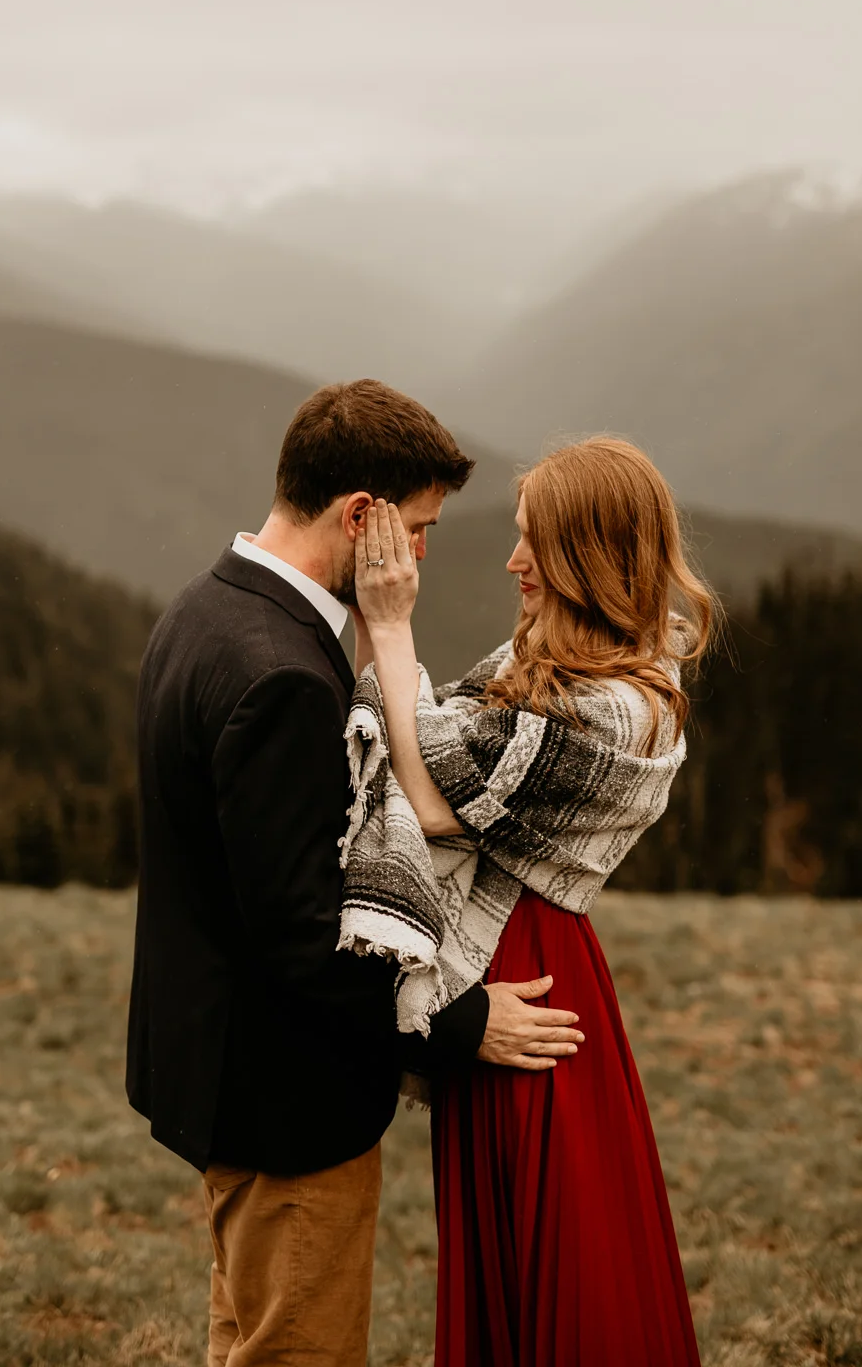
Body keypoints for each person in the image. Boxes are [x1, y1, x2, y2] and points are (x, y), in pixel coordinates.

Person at [126, 379, 585, 1367]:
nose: (420, 554)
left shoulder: (203, 611)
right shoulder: (285, 673)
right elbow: (307, 934)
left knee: (246, 1337)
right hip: (285, 1103)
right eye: (414, 528)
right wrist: (461, 1020)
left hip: (218, 1079)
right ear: (359, 517)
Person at [347, 436, 714, 1367]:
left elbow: (432, 800)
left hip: (532, 976)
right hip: (498, 966)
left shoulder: (625, 707)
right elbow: (436, 747)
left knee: (561, 1248)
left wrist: (389, 631)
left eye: (532, 544)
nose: (512, 563)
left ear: (589, 555)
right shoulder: (540, 662)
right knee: (506, 1244)